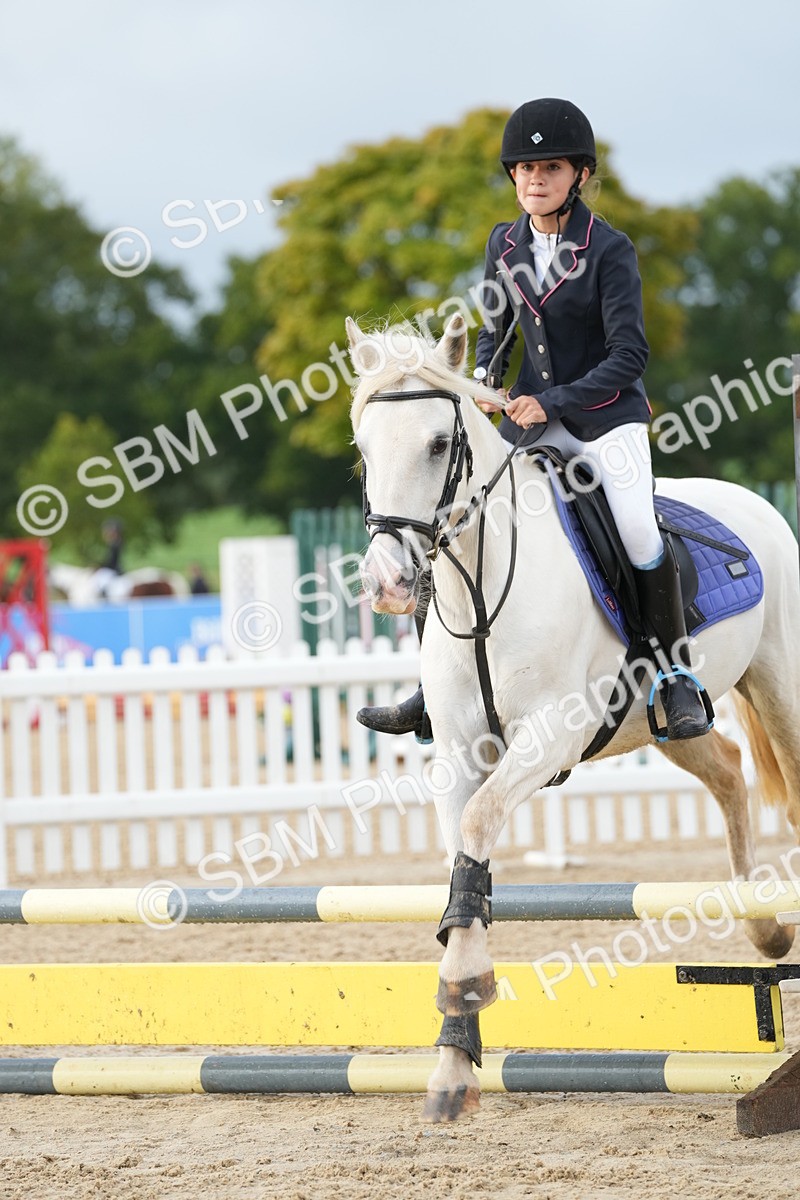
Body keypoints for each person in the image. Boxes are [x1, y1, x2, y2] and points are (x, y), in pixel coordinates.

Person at [359, 98, 709, 743]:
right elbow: (496, 333)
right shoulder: (505, 241)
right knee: (457, 516)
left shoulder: (610, 250)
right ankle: (433, 683)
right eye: (523, 169)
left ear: (579, 174)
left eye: (550, 167)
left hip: (607, 419)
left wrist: (553, 402)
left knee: (635, 527)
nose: (534, 180)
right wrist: (486, 383)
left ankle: (673, 674)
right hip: (527, 416)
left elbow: (630, 354)